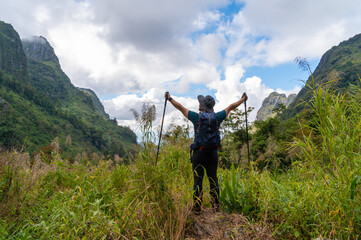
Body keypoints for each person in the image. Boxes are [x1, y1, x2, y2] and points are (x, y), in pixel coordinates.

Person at [165, 92, 248, 214]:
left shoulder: (195, 117)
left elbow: (180, 107)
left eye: (200, 103)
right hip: (213, 154)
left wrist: (169, 99)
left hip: (198, 153)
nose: (199, 104)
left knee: (198, 180)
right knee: (213, 179)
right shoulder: (218, 116)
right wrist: (243, 99)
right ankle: (215, 207)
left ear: (202, 106)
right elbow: (231, 107)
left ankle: (197, 207)